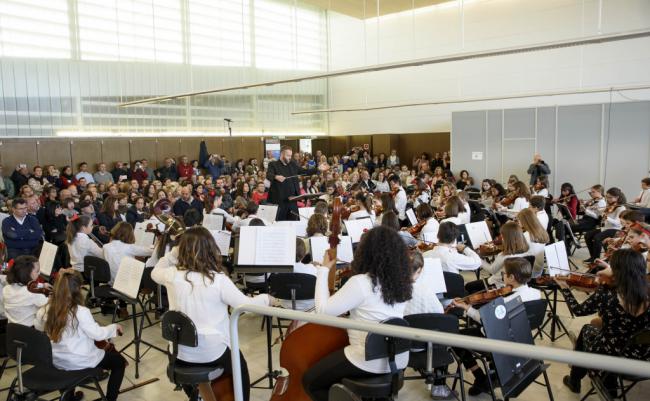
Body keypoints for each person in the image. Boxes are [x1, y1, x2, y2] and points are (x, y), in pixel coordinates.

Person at [152, 226, 272, 401]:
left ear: (182, 251)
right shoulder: (218, 280)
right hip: (211, 352)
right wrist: (266, 299)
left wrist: (172, 254)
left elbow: (155, 271)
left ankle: (198, 395)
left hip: (180, 353)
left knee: (197, 352)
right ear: (210, 250)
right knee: (240, 364)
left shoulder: (172, 275)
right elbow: (246, 305)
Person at [302, 226, 412, 401]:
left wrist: (323, 270)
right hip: (398, 358)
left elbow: (322, 312)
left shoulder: (361, 282)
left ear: (366, 252)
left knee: (310, 381)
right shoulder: (402, 282)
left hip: (367, 358)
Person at [559, 249, 650, 394]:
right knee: (607, 330)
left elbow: (578, 310)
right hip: (641, 358)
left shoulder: (607, 295)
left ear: (616, 273)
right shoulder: (646, 291)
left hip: (613, 357)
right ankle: (608, 383)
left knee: (587, 329)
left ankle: (575, 379)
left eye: (611, 266)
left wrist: (564, 288)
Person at [452, 257, 541, 395]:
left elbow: (487, 322)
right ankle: (493, 374)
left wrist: (466, 307)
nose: (502, 276)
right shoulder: (536, 294)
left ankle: (482, 378)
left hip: (498, 342)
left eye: (503, 274)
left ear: (511, 277)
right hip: (522, 339)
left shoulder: (508, 300)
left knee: (454, 338)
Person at [35, 270, 126, 401]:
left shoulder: (45, 309)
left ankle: (69, 396)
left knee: (68, 358)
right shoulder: (81, 311)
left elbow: (38, 327)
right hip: (81, 361)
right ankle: (110, 399)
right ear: (77, 289)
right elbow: (98, 334)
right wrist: (114, 327)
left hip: (57, 360)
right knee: (118, 362)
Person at [465, 221, 531, 293]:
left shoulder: (504, 256)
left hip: (497, 284)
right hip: (516, 282)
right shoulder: (525, 250)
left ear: (507, 238)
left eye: (502, 236)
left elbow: (491, 270)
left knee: (468, 286)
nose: (501, 239)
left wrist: (477, 258)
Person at [267, 146, 325, 221]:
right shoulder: (273, 164)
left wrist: (318, 169)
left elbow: (305, 171)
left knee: (294, 222)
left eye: (290, 156)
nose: (289, 158)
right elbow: (269, 175)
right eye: (288, 155)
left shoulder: (292, 164)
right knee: (280, 223)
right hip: (280, 201)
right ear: (281, 154)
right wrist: (276, 177)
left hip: (293, 200)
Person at [2, 255, 50, 326]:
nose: (39, 273)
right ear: (27, 273)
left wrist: (42, 285)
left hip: (12, 330)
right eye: (37, 271)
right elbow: (49, 302)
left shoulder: (6, 289)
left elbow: (25, 286)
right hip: (30, 331)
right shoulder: (32, 293)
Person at [584, 187, 626, 264]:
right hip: (606, 228)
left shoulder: (621, 208)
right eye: (607, 197)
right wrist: (596, 208)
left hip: (615, 229)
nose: (608, 199)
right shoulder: (610, 205)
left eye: (610, 197)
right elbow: (601, 212)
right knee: (587, 235)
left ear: (617, 197)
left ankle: (596, 259)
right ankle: (592, 256)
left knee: (597, 238)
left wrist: (606, 217)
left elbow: (617, 223)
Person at [517, 208, 549, 277]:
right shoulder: (541, 232)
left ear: (525, 222)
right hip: (538, 268)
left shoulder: (526, 236)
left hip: (528, 271)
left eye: (519, 220)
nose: (518, 222)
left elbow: (517, 253)